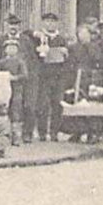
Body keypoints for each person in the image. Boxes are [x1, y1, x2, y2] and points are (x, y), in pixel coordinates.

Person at [32, 12, 71, 142]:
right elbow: (26, 36)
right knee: (42, 104)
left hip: (58, 76)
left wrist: (64, 52)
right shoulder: (38, 37)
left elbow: (67, 57)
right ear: (43, 23)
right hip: (43, 76)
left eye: (53, 22)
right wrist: (36, 36)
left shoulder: (61, 39)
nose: (50, 24)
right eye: (47, 21)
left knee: (57, 104)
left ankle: (54, 132)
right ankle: (42, 133)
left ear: (57, 23)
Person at [69, 22, 99, 102]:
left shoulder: (96, 46)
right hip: (78, 76)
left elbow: (97, 59)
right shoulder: (73, 48)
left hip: (92, 76)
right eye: (81, 33)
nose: (84, 35)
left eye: (86, 33)